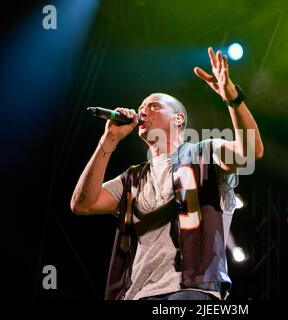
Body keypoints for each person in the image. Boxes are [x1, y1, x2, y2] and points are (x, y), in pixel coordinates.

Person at [70, 47, 264, 300]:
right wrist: (108, 140)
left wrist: (232, 99)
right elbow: (83, 204)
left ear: (178, 118)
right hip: (137, 294)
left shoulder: (204, 153)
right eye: (141, 108)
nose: (143, 111)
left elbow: (251, 152)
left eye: (153, 106)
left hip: (190, 291)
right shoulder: (134, 177)